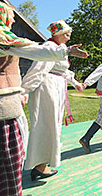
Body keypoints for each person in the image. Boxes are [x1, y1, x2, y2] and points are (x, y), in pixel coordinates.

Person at [0, 1, 87, 196]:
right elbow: (35, 52)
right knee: (4, 156)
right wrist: (66, 51)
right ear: (1, 17)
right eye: (10, 16)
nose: (13, 20)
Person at [21, 20, 82, 180]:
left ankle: (43, 163)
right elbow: (38, 69)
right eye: (67, 34)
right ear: (59, 34)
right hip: (46, 87)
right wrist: (25, 90)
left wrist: (76, 84)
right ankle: (39, 166)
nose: (69, 37)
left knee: (52, 124)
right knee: (44, 123)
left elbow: (63, 71)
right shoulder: (48, 47)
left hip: (55, 87)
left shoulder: (57, 49)